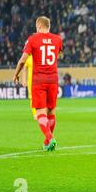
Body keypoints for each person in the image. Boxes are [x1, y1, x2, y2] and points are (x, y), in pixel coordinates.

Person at [13, 16, 63, 152]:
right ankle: (47, 142)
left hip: (39, 80)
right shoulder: (58, 39)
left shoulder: (32, 39)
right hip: (53, 79)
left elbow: (23, 59)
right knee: (51, 111)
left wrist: (16, 73)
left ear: (38, 26)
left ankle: (50, 138)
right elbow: (59, 53)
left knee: (41, 113)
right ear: (49, 26)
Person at [21, 54, 37, 120]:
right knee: (32, 98)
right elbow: (24, 69)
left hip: (40, 80)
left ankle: (43, 112)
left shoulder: (40, 56)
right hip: (31, 81)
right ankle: (35, 114)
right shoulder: (28, 58)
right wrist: (24, 80)